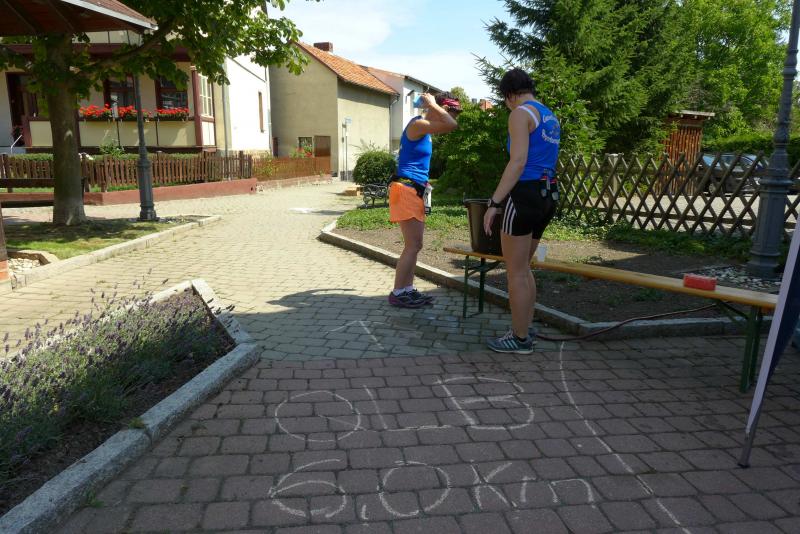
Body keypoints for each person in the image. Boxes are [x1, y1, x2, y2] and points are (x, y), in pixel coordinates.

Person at [483, 68, 560, 353]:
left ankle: (519, 337)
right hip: (548, 194)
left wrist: (495, 203)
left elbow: (517, 162)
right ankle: (525, 328)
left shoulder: (520, 113)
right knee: (524, 268)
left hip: (525, 194)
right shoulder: (549, 116)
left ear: (509, 95)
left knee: (515, 271)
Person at [388, 92, 460, 308]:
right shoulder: (418, 124)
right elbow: (451, 125)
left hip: (414, 190)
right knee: (413, 245)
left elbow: (449, 123)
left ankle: (407, 289)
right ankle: (398, 292)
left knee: (415, 245)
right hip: (406, 189)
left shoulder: (426, 130)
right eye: (453, 111)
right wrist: (433, 105)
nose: (454, 116)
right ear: (441, 108)